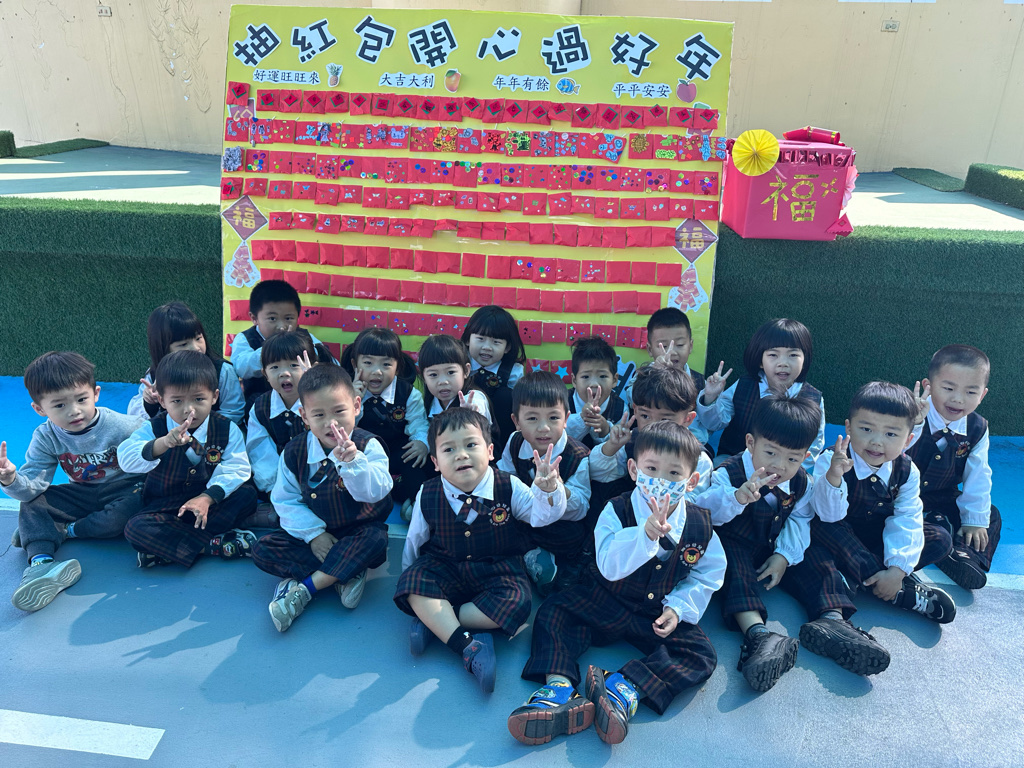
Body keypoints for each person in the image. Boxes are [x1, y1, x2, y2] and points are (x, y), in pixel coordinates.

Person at [509, 422, 724, 746]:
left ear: (691, 481)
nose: (661, 481)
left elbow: (707, 573)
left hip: (654, 613)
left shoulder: (699, 525)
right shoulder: (617, 509)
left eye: (673, 473)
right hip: (604, 598)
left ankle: (622, 689)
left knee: (701, 654)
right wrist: (645, 535)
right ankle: (559, 689)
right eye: (652, 469)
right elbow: (609, 565)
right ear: (634, 470)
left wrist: (678, 609)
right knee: (555, 612)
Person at [694, 396, 889, 692]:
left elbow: (800, 518)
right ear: (750, 443)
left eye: (792, 458)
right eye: (771, 452)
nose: (779, 465)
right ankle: (759, 635)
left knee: (817, 559)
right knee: (730, 563)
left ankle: (832, 620)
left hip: (775, 547)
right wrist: (735, 498)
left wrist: (784, 556)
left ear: (804, 456)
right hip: (737, 544)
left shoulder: (800, 481)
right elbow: (705, 511)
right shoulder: (728, 473)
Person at [394, 407, 566, 693]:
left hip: (497, 569)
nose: (461, 455)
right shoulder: (428, 492)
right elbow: (415, 539)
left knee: (518, 603)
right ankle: (467, 645)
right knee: (413, 583)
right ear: (435, 461)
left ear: (490, 451)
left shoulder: (508, 485)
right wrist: (411, 581)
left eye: (471, 445)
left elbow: (540, 517)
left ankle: (438, 622)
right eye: (449, 449)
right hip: (445, 565)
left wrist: (548, 490)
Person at [252, 365, 394, 631]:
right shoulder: (294, 452)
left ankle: (306, 588)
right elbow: (285, 500)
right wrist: (314, 535)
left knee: (376, 540)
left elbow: (376, 492)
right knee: (263, 549)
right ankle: (345, 573)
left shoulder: (368, 445)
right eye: (319, 414)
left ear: (356, 406)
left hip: (357, 531)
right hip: (316, 535)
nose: (331, 423)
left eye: (339, 411)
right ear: (304, 416)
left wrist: (353, 463)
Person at [2, 352, 145, 612]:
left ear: (96, 394)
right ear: (39, 409)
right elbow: (33, 486)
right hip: (82, 493)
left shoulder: (125, 426)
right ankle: (41, 564)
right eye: (59, 406)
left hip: (124, 490)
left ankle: (60, 530)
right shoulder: (46, 437)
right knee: (33, 504)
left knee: (123, 514)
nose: (74, 411)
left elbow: (152, 451)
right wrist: (11, 479)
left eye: (81, 399)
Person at [812, 382, 956, 624]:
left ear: (907, 440)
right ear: (849, 427)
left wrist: (897, 569)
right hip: (840, 535)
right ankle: (898, 592)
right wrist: (834, 477)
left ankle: (871, 579)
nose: (877, 441)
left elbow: (907, 517)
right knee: (820, 528)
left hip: (877, 540)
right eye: (866, 429)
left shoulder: (907, 470)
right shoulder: (832, 460)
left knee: (941, 538)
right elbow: (827, 515)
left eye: (890, 434)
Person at [119, 350, 257, 568]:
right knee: (135, 529)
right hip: (167, 507)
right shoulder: (154, 427)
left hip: (209, 504)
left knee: (247, 495)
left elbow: (237, 468)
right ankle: (213, 545)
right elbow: (126, 458)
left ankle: (166, 549)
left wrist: (207, 498)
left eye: (199, 399)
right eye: (177, 400)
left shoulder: (226, 428)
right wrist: (162, 443)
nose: (189, 409)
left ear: (214, 396)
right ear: (162, 401)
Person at [906, 345, 999, 590]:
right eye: (948, 388)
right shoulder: (908, 414)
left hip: (941, 495)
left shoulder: (977, 428)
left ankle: (966, 557)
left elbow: (978, 474)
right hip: (900, 497)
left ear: (982, 395)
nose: (958, 399)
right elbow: (892, 456)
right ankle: (940, 536)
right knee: (906, 522)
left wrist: (974, 521)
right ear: (928, 385)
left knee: (989, 515)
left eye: (971, 392)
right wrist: (914, 425)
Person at [499, 371, 591, 594]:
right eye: (532, 418)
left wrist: (558, 490)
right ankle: (530, 556)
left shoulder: (578, 455)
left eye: (553, 418)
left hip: (559, 524)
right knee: (499, 520)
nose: (543, 428)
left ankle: (537, 558)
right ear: (516, 421)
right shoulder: (515, 442)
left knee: (574, 537)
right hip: (523, 516)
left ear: (566, 419)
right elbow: (505, 477)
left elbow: (582, 508)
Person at [697, 318, 824, 472]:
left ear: (804, 359)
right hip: (736, 460)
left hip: (783, 470)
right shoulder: (744, 386)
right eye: (773, 355)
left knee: (805, 483)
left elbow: (814, 445)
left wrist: (789, 471)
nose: (783, 363)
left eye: (793, 355)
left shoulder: (812, 398)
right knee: (716, 468)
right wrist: (710, 397)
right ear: (760, 361)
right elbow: (714, 423)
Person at [588, 364, 714, 520]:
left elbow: (696, 504)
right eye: (645, 416)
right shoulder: (631, 440)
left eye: (666, 419)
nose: (653, 425)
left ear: (688, 419)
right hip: (629, 518)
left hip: (671, 524)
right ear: (635, 410)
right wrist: (612, 446)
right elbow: (596, 473)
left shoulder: (697, 457)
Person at [340, 328, 428, 512]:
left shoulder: (409, 394)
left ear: (397, 367)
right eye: (368, 363)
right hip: (362, 452)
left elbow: (419, 424)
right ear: (355, 364)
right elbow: (344, 430)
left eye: (386, 364)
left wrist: (422, 442)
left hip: (396, 453)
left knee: (415, 461)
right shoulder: (344, 392)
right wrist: (352, 402)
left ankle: (416, 504)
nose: (377, 371)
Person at [128, 301, 245, 424]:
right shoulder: (155, 375)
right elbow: (135, 418)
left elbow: (234, 412)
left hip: (214, 433)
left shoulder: (222, 371)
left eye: (198, 338)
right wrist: (148, 402)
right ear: (163, 349)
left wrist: (199, 429)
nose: (196, 348)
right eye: (183, 344)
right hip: (170, 434)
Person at [229, 279, 334, 406]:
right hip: (260, 404)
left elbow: (331, 364)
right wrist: (271, 348)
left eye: (288, 318)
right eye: (272, 318)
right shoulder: (245, 338)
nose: (281, 326)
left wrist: (302, 350)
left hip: (302, 404)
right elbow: (241, 368)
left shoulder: (305, 337)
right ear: (254, 318)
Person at [245, 331, 316, 501]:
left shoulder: (321, 401)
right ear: (265, 374)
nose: (284, 373)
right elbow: (259, 450)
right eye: (275, 367)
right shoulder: (261, 407)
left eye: (293, 365)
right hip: (277, 482)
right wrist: (274, 488)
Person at [622, 308, 709, 445]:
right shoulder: (643, 375)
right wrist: (655, 373)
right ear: (650, 349)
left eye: (679, 345)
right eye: (663, 346)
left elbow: (709, 422)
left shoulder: (698, 380)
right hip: (648, 441)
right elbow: (632, 397)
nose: (671, 352)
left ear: (690, 346)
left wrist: (709, 398)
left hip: (690, 443)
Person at [461, 305, 526, 454]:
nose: (487, 347)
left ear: (507, 347)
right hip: (464, 422)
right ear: (468, 339)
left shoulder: (513, 371)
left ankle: (502, 454)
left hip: (499, 427)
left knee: (506, 395)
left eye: (496, 342)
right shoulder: (459, 364)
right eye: (480, 339)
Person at [566, 337, 628, 449]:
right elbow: (556, 438)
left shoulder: (620, 410)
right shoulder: (561, 403)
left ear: (614, 380)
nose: (594, 384)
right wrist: (582, 419)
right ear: (574, 381)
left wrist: (605, 430)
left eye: (602, 376)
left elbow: (619, 452)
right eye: (586, 376)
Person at [418, 334, 493, 426]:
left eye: (451, 372)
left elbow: (478, 408)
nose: (443, 381)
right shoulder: (429, 402)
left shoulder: (473, 399)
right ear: (424, 377)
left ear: (466, 371)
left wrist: (471, 416)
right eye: (433, 375)